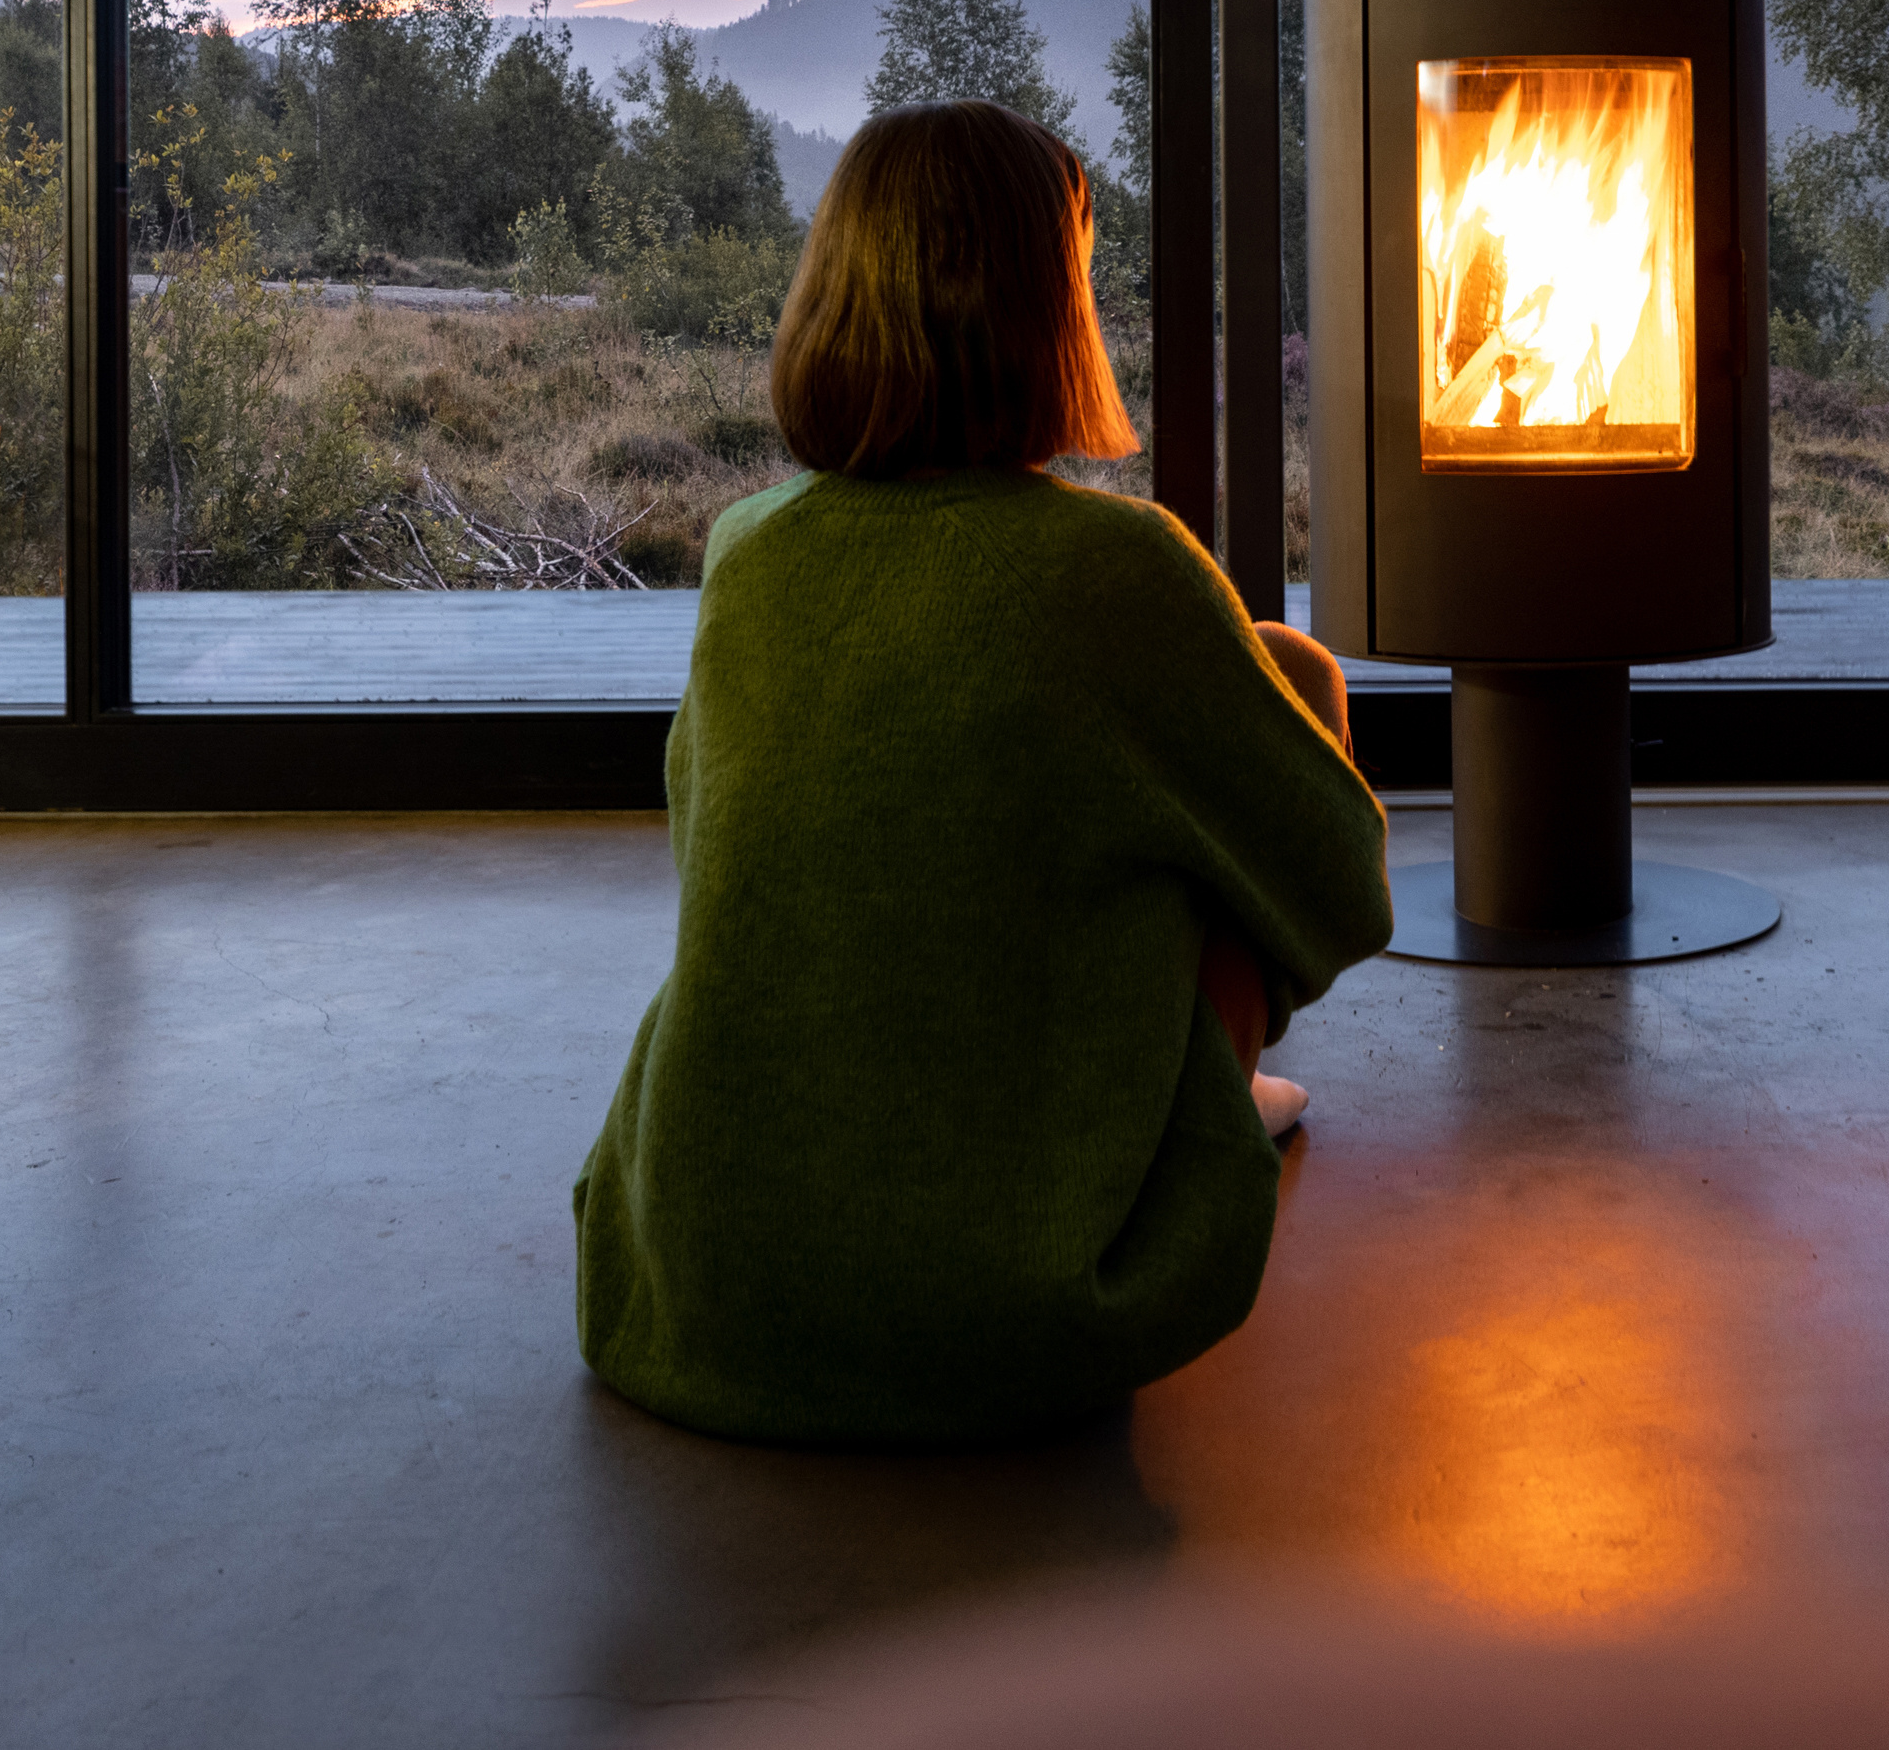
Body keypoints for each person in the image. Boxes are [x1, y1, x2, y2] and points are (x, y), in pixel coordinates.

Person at [571, 98, 1393, 1447]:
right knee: (1283, 681)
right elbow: (1339, 888)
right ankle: (1192, 1121)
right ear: (1045, 307)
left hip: (695, 1289)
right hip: (1019, 1315)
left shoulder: (749, 553)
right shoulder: (1120, 572)